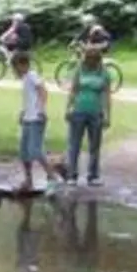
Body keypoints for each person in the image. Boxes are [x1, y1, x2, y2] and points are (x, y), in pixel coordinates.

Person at [65, 46, 112, 186]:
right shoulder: (79, 70)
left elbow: (106, 95)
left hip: (95, 112)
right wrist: (68, 108)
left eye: (92, 60)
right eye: (88, 59)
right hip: (78, 110)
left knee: (95, 146)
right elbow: (73, 90)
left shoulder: (104, 73)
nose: (89, 62)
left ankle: (93, 175)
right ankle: (72, 175)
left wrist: (107, 115)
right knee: (74, 144)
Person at [12, 52, 59, 192]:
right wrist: (23, 112)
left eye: (16, 68)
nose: (15, 71)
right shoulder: (26, 78)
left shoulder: (32, 76)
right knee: (24, 151)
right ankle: (28, 180)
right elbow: (29, 98)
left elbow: (43, 91)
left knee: (35, 150)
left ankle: (52, 176)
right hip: (28, 118)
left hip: (36, 119)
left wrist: (41, 110)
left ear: (23, 65)